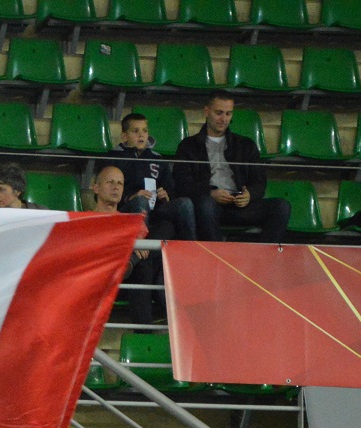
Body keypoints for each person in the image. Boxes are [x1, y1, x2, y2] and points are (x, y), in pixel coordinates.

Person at [173, 93, 290, 242]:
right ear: (206, 111)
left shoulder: (246, 145)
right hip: (210, 205)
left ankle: (266, 254)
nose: (224, 119)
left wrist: (249, 195)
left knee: (281, 206)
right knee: (205, 205)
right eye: (219, 113)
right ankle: (216, 253)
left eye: (228, 114)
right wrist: (211, 193)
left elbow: (259, 182)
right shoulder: (188, 146)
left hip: (240, 204)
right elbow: (183, 183)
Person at [91, 164, 165, 325]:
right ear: (96, 188)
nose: (116, 187)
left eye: (120, 183)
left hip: (126, 283)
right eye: (110, 182)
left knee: (145, 261)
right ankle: (144, 332)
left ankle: (144, 332)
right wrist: (129, 244)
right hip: (98, 280)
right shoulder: (86, 220)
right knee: (142, 259)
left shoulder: (131, 222)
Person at [110, 111, 196, 240]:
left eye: (144, 131)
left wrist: (166, 196)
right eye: (135, 131)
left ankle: (191, 248)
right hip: (128, 208)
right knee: (141, 200)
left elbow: (170, 188)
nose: (141, 135)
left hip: (155, 209)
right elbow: (107, 191)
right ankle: (140, 247)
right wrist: (132, 197)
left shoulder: (157, 158)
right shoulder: (114, 158)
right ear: (124, 136)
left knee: (185, 204)